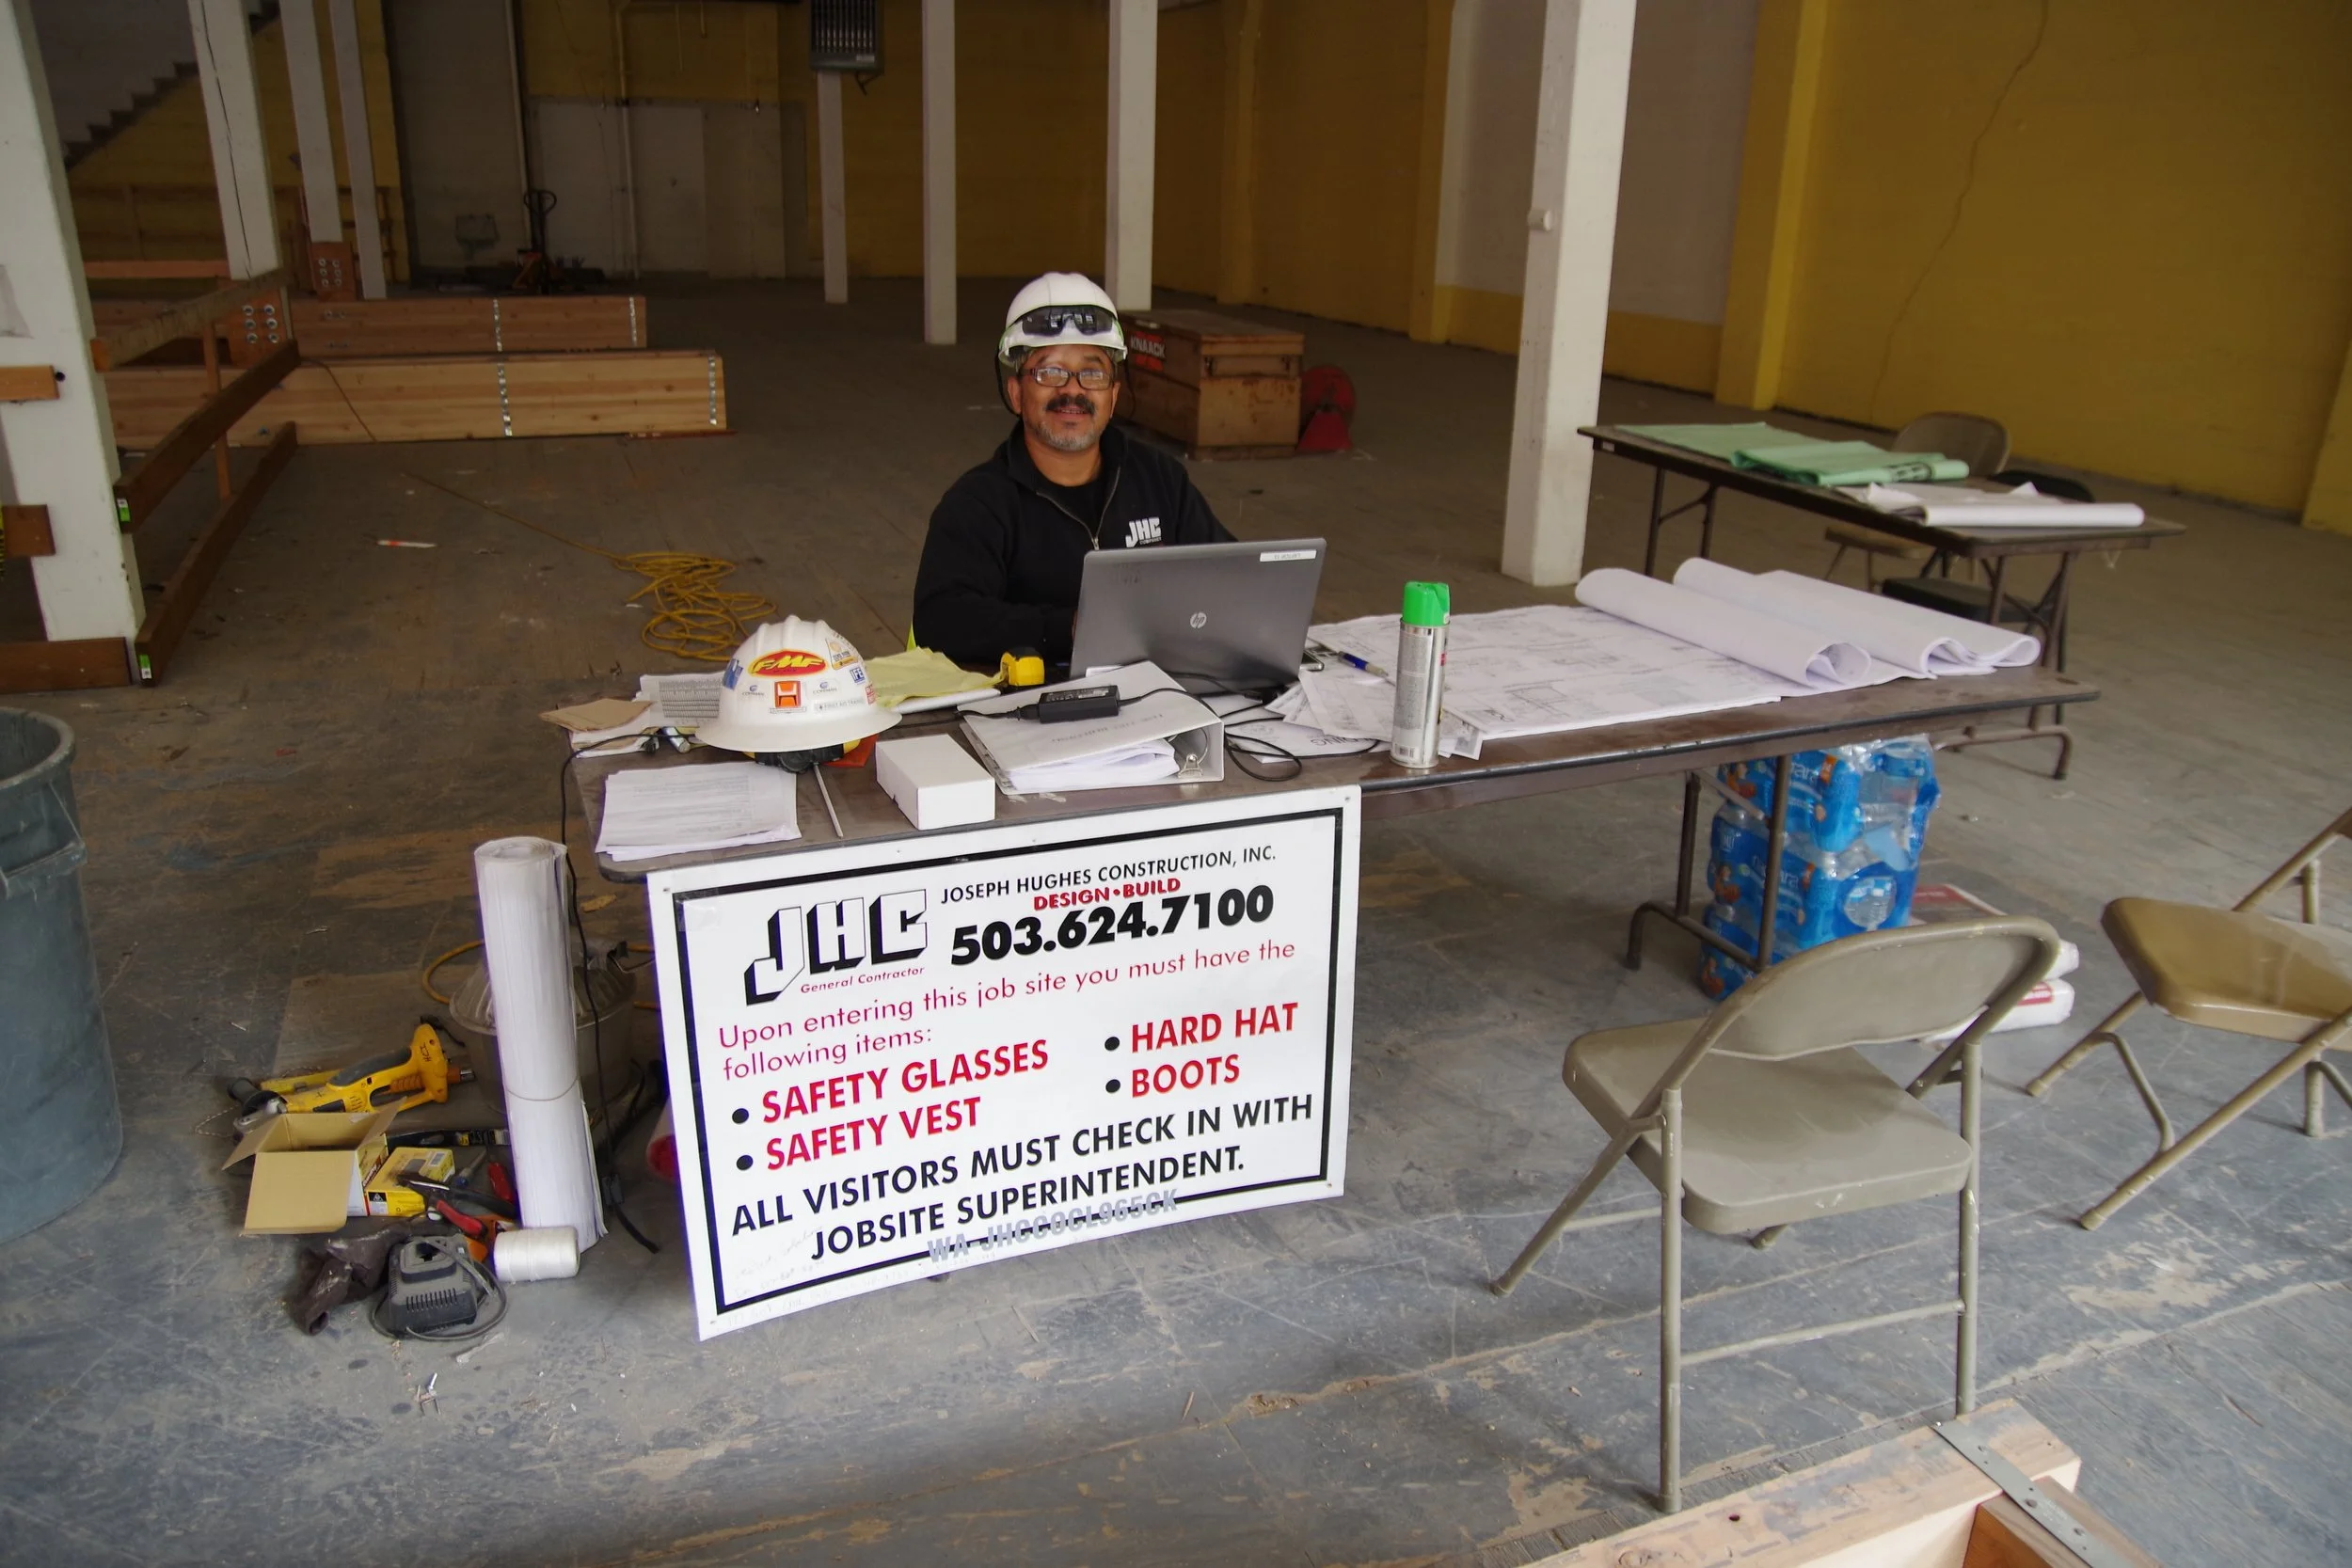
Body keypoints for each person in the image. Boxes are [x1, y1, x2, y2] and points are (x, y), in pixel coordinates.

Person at [913, 273, 1232, 670]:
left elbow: (1231, 576)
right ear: (1015, 393)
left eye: (1093, 372)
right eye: (1049, 372)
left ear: (1113, 396)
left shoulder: (1160, 480)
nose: (1073, 390)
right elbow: (940, 620)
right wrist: (1069, 627)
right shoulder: (978, 504)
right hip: (1031, 709)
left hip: (1157, 690)